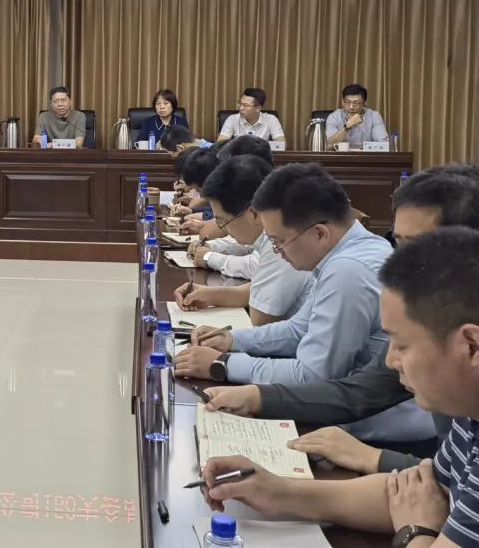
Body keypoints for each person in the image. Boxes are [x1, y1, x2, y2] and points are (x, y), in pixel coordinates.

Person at [199, 227, 479, 548]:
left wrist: (416, 531)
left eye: (402, 345)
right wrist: (275, 490)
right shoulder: (467, 414)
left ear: (470, 345)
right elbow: (413, 492)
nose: (390, 361)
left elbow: (419, 511)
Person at [204, 165, 479, 475]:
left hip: (398, 441)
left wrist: (373, 458)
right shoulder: (422, 305)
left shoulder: (352, 269)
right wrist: (254, 392)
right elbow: (361, 390)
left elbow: (449, 484)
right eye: (399, 243)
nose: (401, 261)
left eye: (417, 246)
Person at [177, 162, 433, 443]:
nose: (278, 252)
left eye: (279, 242)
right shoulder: (347, 252)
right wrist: (232, 340)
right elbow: (299, 328)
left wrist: (224, 364)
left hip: (375, 433)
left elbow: (313, 375)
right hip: (342, 416)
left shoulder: (349, 270)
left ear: (319, 233)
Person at [176, 155, 314, 325]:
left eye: (222, 221)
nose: (223, 229)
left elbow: (260, 320)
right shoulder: (278, 230)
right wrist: (209, 294)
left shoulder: (283, 243)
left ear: (254, 214)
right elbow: (259, 287)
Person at [326, 83, 390, 148]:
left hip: (366, 154)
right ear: (343, 102)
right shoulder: (334, 117)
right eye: (347, 102)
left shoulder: (374, 116)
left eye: (356, 103)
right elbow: (328, 145)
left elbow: (383, 144)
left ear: (363, 103)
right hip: (342, 154)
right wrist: (347, 126)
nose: (351, 107)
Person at [217, 87, 286, 145]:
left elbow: (282, 145)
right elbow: (220, 144)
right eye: (240, 104)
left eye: (246, 105)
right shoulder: (232, 119)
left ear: (258, 108)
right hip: (239, 156)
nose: (241, 108)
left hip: (261, 155)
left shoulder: (271, 120)